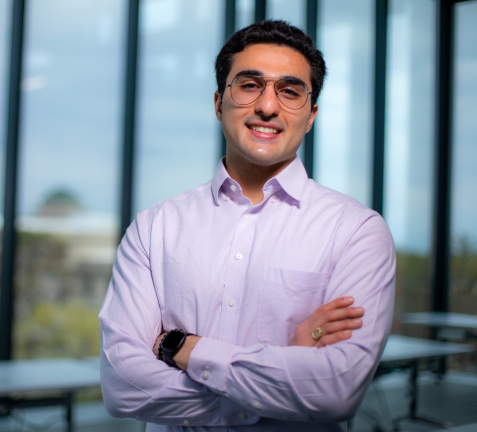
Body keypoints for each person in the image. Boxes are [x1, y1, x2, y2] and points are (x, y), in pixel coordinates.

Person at [99, 20, 395, 432]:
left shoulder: (357, 231)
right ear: (219, 102)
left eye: (290, 91)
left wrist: (183, 348)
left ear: (311, 116)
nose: (268, 107)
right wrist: (278, 377)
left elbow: (335, 391)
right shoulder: (155, 227)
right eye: (250, 85)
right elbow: (122, 386)